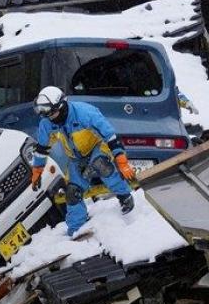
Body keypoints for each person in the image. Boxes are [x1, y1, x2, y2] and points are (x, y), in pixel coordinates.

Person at [30, 86, 135, 237]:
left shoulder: (85, 113)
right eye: (45, 114)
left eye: (51, 113)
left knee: (101, 165)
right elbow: (41, 149)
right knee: (72, 193)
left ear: (62, 105)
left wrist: (121, 161)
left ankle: (125, 197)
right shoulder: (47, 123)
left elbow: (110, 136)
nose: (49, 117)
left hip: (97, 147)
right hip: (76, 158)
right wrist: (37, 171)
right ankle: (77, 229)